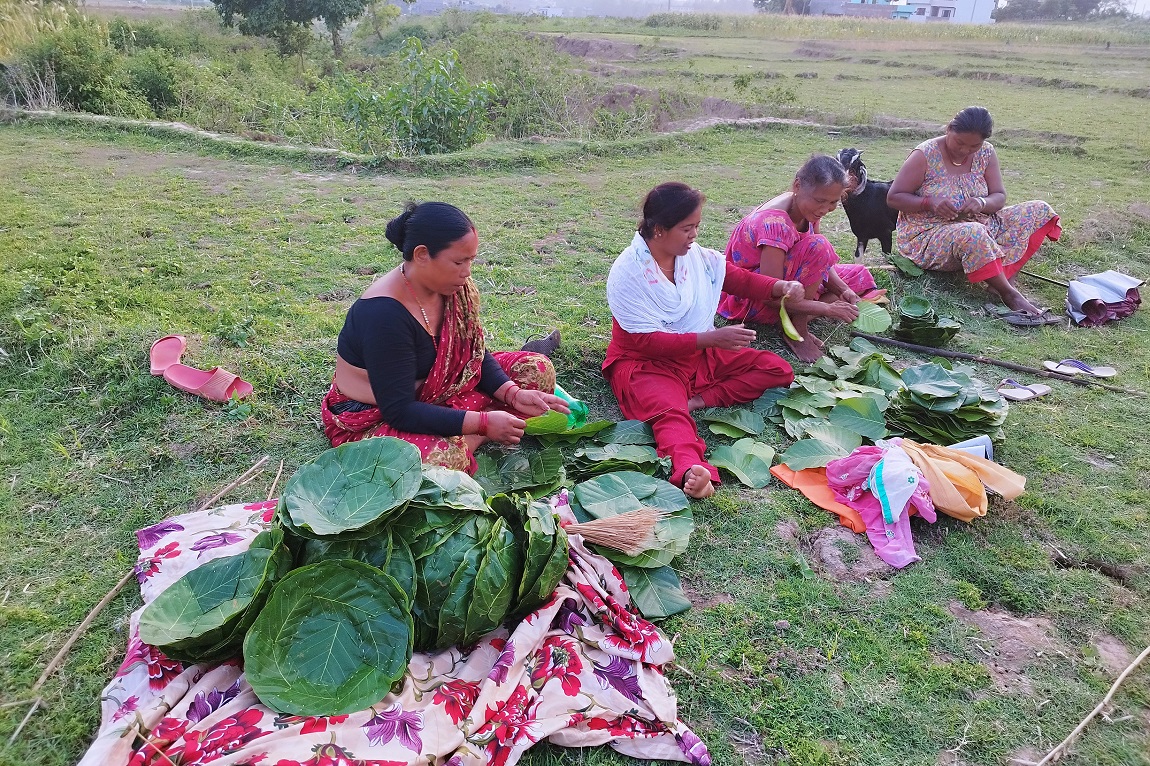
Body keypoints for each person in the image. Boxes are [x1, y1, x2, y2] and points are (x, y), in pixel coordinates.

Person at [321, 201, 569, 472]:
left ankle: (471, 432)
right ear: (422, 254)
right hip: (380, 415)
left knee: (537, 370)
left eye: (471, 260)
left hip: (443, 392)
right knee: (438, 460)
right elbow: (400, 411)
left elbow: (472, 354)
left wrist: (512, 395)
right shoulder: (383, 314)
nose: (467, 271)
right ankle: (474, 436)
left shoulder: (453, 287)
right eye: (459, 262)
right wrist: (483, 424)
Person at [604, 182, 806, 499]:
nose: (694, 235)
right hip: (646, 365)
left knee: (775, 369)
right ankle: (691, 470)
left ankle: (696, 399)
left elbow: (737, 278)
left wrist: (779, 287)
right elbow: (646, 343)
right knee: (671, 419)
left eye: (696, 226)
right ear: (658, 230)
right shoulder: (628, 274)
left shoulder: (694, 258)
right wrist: (710, 338)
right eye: (687, 228)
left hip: (697, 355)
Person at [886, 106, 1061, 321]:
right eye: (959, 143)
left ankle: (1002, 279)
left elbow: (999, 197)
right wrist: (928, 202)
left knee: (1039, 210)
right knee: (974, 232)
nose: (964, 151)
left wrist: (981, 202)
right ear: (949, 128)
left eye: (974, 146)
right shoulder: (925, 155)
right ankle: (1010, 295)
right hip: (929, 235)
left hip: (980, 224)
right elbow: (893, 197)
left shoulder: (986, 153)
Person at [719, 155, 878, 362]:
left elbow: (819, 262)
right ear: (797, 185)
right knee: (821, 247)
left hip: (790, 281)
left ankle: (800, 311)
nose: (824, 209)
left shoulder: (806, 209)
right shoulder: (775, 223)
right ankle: (796, 328)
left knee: (857, 276)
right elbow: (769, 295)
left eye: (833, 202)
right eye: (820, 200)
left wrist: (843, 290)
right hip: (751, 299)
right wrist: (826, 309)